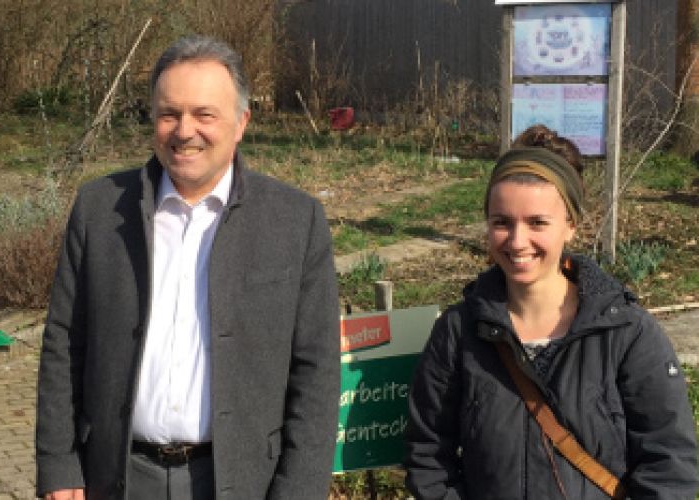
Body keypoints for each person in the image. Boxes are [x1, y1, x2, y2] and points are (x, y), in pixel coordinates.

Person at [35, 35, 341, 500]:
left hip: (240, 482)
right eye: (169, 113)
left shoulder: (296, 222)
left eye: (204, 114)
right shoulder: (99, 210)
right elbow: (64, 342)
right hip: (117, 476)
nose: (184, 130)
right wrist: (59, 465)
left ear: (241, 122)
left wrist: (298, 491)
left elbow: (315, 372)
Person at [404, 125, 699, 499]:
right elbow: (429, 457)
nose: (516, 241)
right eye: (501, 223)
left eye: (537, 223)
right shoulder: (458, 333)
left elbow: (668, 466)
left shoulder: (625, 332)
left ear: (571, 225)